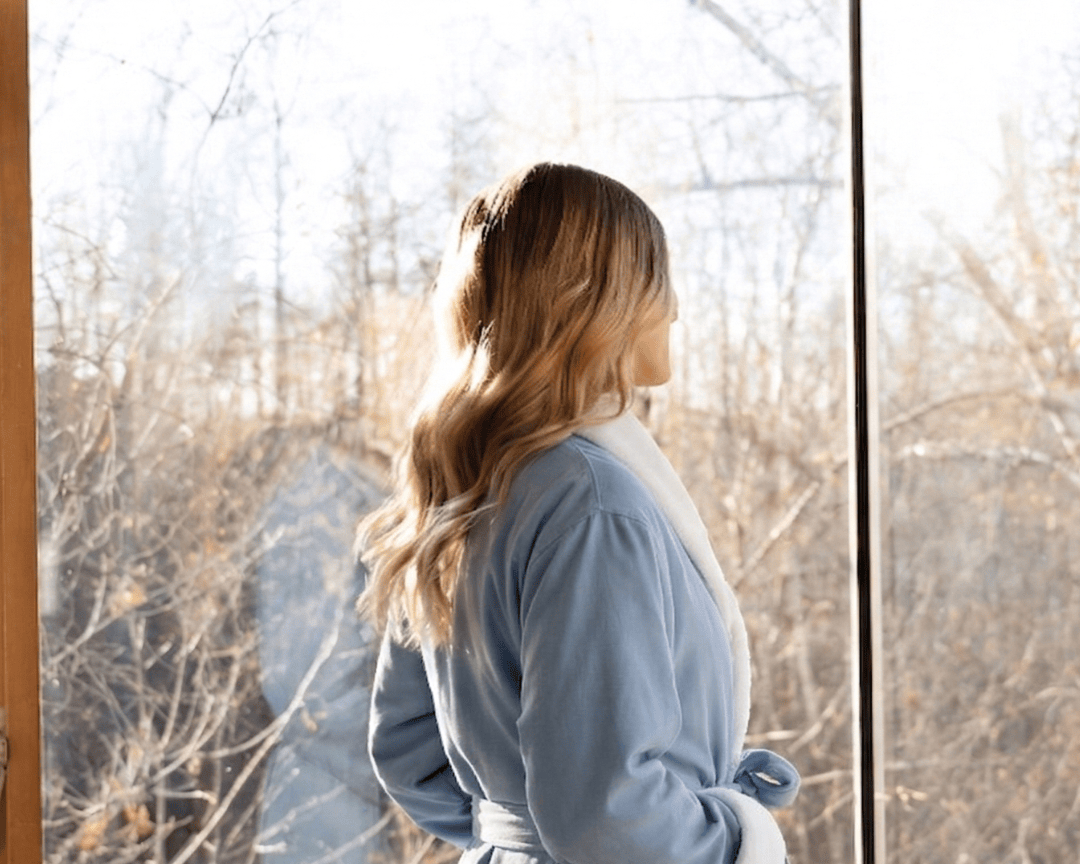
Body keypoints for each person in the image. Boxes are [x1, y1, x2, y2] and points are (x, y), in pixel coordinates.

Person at [357, 162, 799, 864]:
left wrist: (515, 834)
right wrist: (737, 841)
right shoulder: (596, 505)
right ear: (595, 300)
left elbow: (411, 755)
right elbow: (610, 822)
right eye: (656, 276)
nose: (677, 306)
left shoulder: (470, 489)